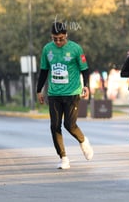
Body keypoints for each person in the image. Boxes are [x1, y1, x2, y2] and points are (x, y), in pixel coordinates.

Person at [36, 22, 93, 169]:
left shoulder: (75, 48)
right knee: (54, 125)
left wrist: (86, 85)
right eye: (55, 39)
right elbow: (44, 71)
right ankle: (63, 157)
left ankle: (83, 140)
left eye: (61, 38)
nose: (58, 42)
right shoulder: (47, 49)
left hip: (72, 93)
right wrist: (39, 90)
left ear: (66, 35)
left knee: (69, 124)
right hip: (54, 93)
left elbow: (85, 69)